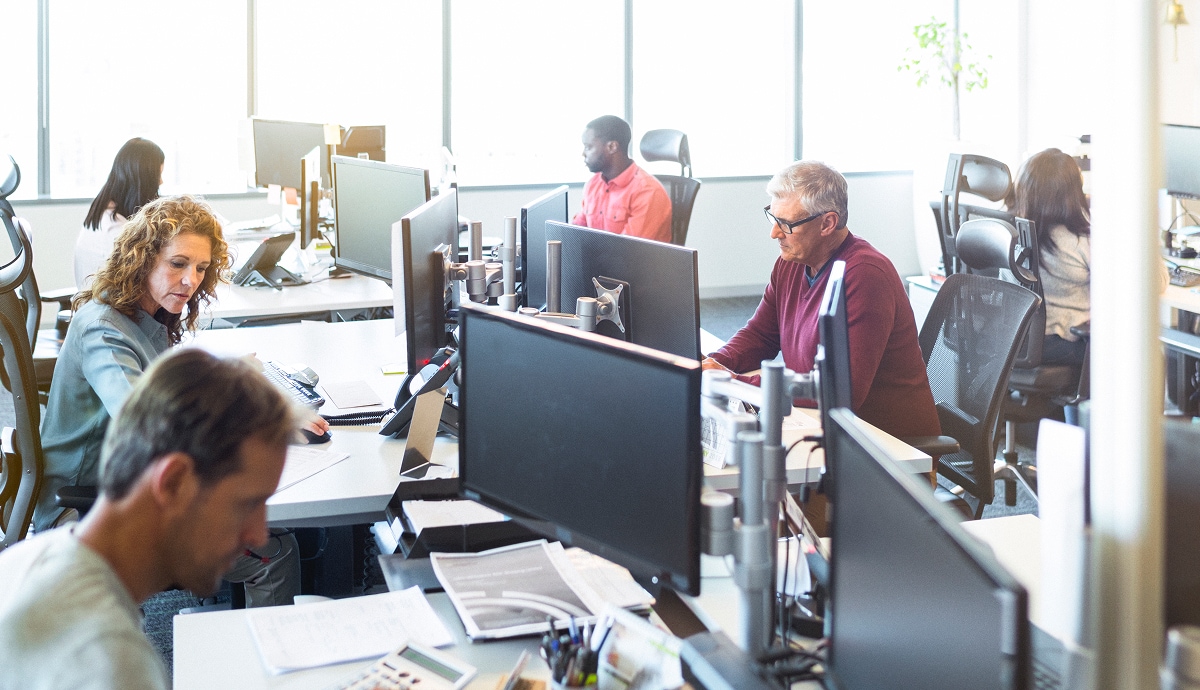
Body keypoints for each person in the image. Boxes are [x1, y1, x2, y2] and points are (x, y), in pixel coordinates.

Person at [33, 194, 322, 605]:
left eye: (202, 268)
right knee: (273, 551)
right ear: (143, 258)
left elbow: (166, 388)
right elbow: (146, 425)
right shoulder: (104, 330)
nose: (191, 281)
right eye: (178, 264)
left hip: (127, 485)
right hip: (87, 503)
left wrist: (235, 380)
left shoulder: (145, 313)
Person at [0, 349, 297, 690]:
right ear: (173, 482)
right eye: (247, 504)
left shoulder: (27, 560)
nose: (259, 535)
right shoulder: (108, 662)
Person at [703, 160, 940, 442]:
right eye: (773, 217)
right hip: (824, 426)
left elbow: (841, 390)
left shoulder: (865, 276)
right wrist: (712, 365)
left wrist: (732, 382)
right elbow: (760, 335)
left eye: (786, 224)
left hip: (887, 448)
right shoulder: (791, 262)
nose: (774, 233)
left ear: (827, 223)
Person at [1009, 148, 1091, 367]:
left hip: (1013, 341)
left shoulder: (1010, 234)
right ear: (1073, 192)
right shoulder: (1080, 241)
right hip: (1062, 344)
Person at [75, 138, 164, 289]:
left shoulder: (103, 216)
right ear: (144, 179)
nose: (161, 182)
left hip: (97, 307)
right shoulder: (115, 230)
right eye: (158, 175)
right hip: (108, 309)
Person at [572, 115, 673, 243]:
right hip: (601, 260)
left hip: (633, 262)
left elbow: (628, 252)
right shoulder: (593, 185)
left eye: (588, 147)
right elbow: (577, 230)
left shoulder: (648, 192)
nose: (583, 154)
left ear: (612, 147)